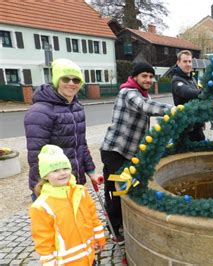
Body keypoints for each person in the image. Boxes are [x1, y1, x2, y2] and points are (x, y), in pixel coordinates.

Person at [100, 62, 171, 242]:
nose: (148, 79)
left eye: (150, 76)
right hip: (115, 152)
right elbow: (146, 107)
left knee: (125, 189)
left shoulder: (141, 93)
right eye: (144, 76)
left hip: (128, 153)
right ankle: (116, 230)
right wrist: (175, 110)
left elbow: (148, 105)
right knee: (117, 191)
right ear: (135, 77)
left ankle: (123, 224)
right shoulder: (128, 93)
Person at [24, 58, 101, 201]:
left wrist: (91, 171)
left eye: (76, 80)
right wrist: (42, 187)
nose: (71, 83)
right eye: (66, 79)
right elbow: (36, 155)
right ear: (57, 80)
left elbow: (81, 144)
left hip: (74, 182)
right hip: (52, 187)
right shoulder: (40, 111)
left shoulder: (77, 108)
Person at [29, 144, 105, 266]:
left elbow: (93, 217)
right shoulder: (41, 206)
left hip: (89, 258)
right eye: (55, 170)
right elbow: (43, 239)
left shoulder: (81, 192)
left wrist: (99, 237)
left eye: (65, 168)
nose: (62, 173)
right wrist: (49, 262)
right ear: (45, 176)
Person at [171, 50, 205, 142]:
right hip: (185, 128)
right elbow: (187, 92)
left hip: (196, 126)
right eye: (185, 61)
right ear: (178, 62)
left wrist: (201, 121)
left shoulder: (192, 78)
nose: (188, 64)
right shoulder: (176, 80)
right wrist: (205, 92)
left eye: (189, 61)